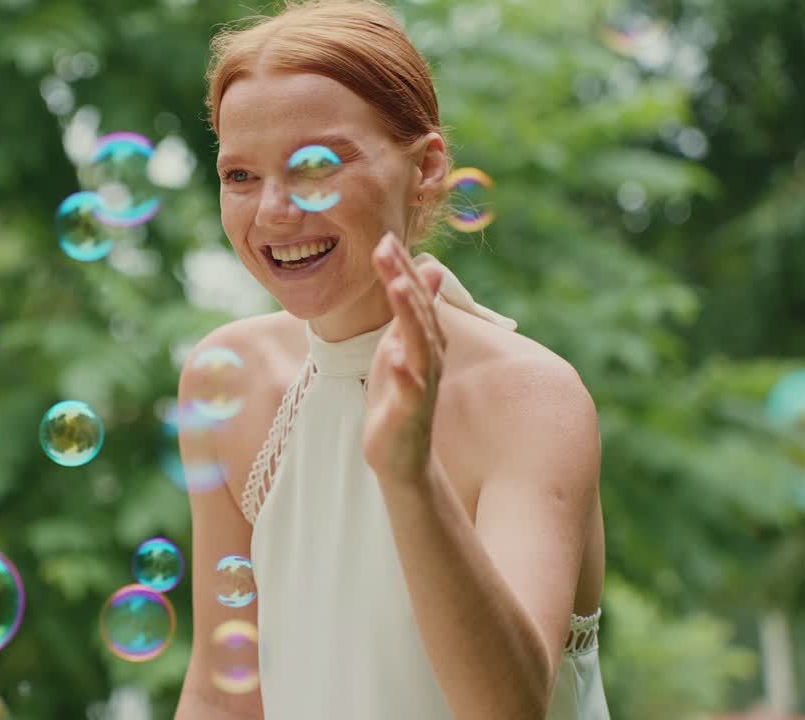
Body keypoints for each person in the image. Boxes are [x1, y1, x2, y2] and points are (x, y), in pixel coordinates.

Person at [173, 1, 609, 718]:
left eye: (315, 164)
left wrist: (410, 474)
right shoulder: (229, 381)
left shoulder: (532, 399)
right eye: (241, 176)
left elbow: (510, 708)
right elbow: (224, 696)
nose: (274, 211)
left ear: (427, 170)